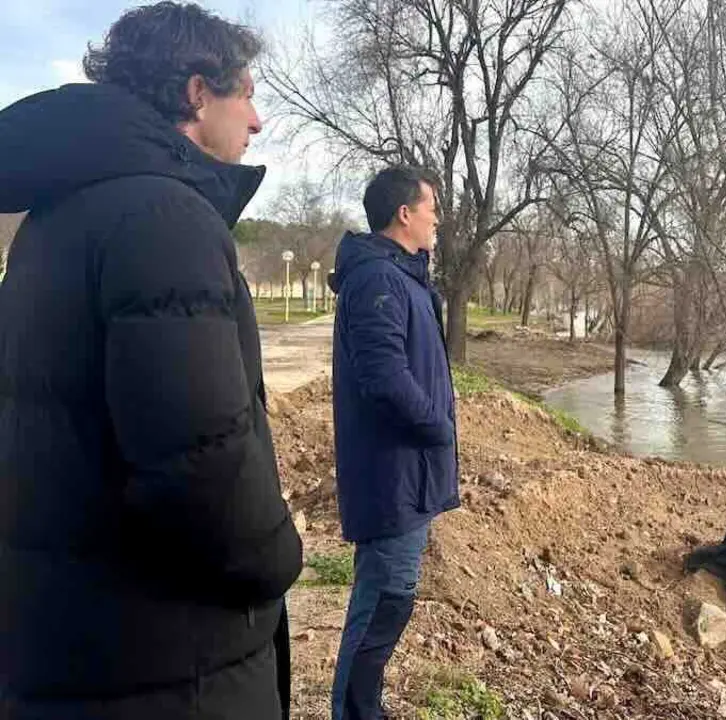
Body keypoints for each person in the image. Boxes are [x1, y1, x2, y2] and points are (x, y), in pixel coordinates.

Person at [0, 3, 302, 718]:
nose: (256, 122)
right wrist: (277, 559)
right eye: (248, 94)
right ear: (198, 94)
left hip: (74, 646)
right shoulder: (163, 217)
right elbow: (200, 467)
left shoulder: (54, 220)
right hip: (168, 666)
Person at [328, 166, 460, 720]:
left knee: (391, 598)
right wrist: (438, 427)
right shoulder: (378, 281)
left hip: (411, 473)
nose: (437, 218)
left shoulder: (403, 277)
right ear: (404, 213)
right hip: (391, 476)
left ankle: (364, 708)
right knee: (382, 603)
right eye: (431, 206)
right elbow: (384, 380)